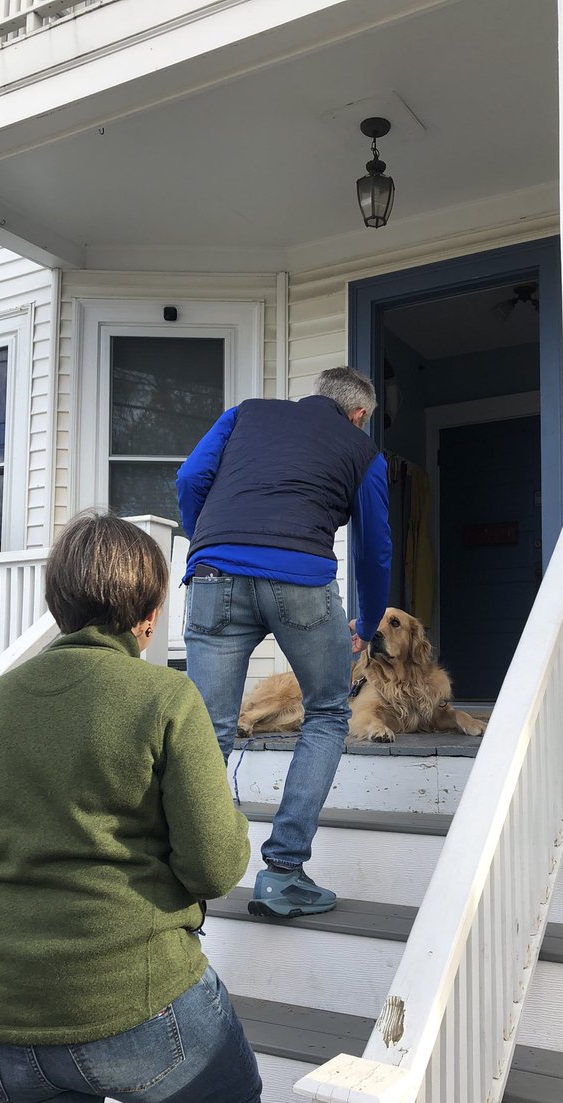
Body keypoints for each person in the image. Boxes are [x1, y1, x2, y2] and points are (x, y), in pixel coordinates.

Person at [0, 513, 261, 1103]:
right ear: (147, 619)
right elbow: (214, 866)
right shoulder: (165, 696)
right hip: (135, 1006)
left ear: (59, 604)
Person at [176, 366, 392, 919]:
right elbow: (373, 550)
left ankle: (178, 873)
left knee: (206, 728)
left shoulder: (244, 413)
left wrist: (210, 542)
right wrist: (366, 627)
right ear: (359, 414)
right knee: (326, 713)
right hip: (302, 579)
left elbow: (189, 480)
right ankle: (283, 876)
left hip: (214, 576)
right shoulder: (363, 450)